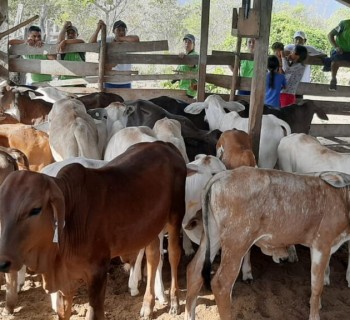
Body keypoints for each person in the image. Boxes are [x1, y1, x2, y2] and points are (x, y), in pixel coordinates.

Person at [89, 19, 139, 88]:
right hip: (110, 80)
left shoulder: (128, 40)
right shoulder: (108, 39)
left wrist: (121, 39)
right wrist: (98, 29)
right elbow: (91, 43)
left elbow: (136, 39)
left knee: (126, 99)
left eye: (123, 30)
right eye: (118, 30)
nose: (121, 32)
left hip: (125, 81)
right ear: (113, 31)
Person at [325, 20, 350, 91]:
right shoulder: (343, 24)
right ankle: (333, 79)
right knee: (335, 60)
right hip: (340, 50)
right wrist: (336, 47)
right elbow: (330, 35)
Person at [174, 34, 199, 98]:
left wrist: (185, 58)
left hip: (190, 90)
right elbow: (178, 72)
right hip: (183, 89)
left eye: (189, 42)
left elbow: (191, 64)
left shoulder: (195, 55)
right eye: (186, 42)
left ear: (194, 45)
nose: (187, 44)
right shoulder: (184, 56)